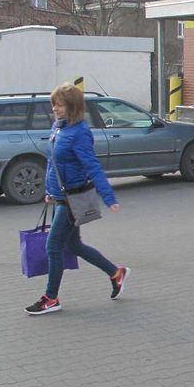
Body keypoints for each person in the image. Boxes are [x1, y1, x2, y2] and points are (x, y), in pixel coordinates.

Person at [25, 84, 128, 315]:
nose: (55, 109)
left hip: (73, 198)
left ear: (72, 107)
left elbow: (93, 166)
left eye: (60, 105)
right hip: (61, 196)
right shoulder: (58, 128)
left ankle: (51, 298)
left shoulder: (80, 133)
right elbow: (52, 162)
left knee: (53, 246)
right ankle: (116, 273)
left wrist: (108, 197)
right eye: (54, 104)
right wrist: (50, 191)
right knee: (73, 245)